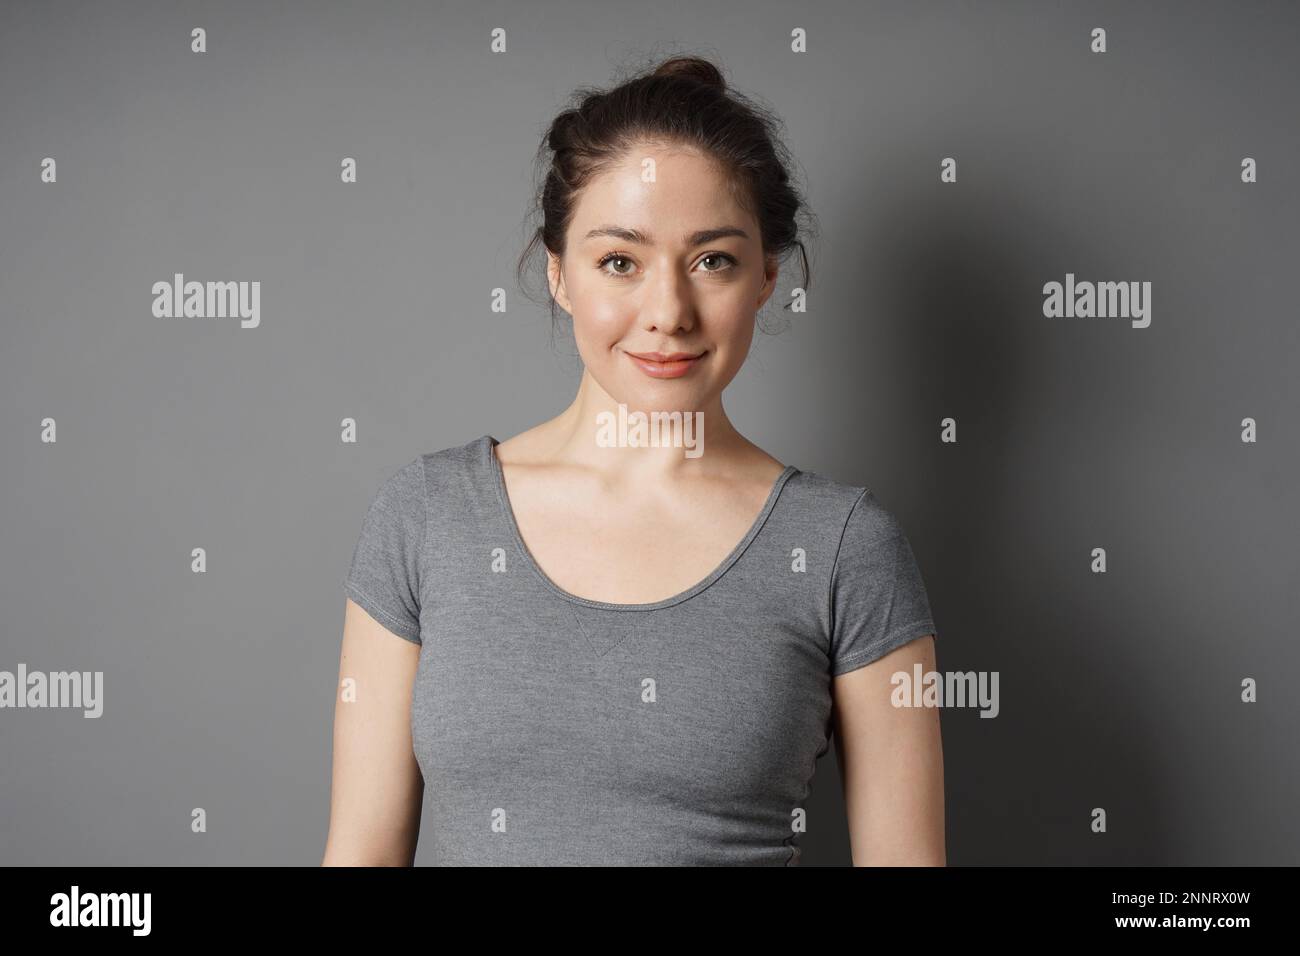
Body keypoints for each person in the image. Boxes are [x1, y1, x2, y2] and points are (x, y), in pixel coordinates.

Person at [322, 54, 943, 866]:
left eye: (712, 260)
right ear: (559, 274)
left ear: (764, 277)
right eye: (621, 261)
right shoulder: (429, 515)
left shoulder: (844, 547)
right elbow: (360, 853)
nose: (668, 313)